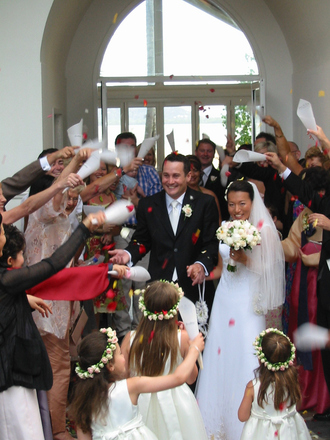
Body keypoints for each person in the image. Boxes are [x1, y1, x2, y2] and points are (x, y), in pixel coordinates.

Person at [0, 209, 106, 440]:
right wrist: (84, 228)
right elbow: (53, 264)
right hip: (9, 374)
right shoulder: (6, 279)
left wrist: (23, 300)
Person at [196, 179, 285, 440]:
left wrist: (245, 259)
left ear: (253, 202)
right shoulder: (224, 228)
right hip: (225, 299)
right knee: (220, 354)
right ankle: (216, 423)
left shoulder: (264, 230)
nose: (236, 209)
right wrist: (202, 274)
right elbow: (223, 270)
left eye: (242, 203)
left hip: (248, 301)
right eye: (232, 204)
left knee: (247, 351)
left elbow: (270, 271)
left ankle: (248, 422)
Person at [109, 153, 219, 314]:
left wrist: (201, 265)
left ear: (188, 176)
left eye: (176, 176)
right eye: (166, 176)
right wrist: (127, 254)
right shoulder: (149, 204)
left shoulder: (205, 203)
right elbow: (142, 241)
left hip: (193, 286)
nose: (170, 181)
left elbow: (211, 243)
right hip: (159, 288)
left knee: (196, 338)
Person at [266, 150, 330, 421]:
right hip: (301, 284)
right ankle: (303, 393)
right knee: (298, 330)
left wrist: (315, 256)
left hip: (320, 284)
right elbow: (292, 245)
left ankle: (323, 398)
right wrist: (267, 244)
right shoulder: (305, 214)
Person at [69, 327, 204, 440]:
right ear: (110, 365)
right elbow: (178, 378)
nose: (124, 358)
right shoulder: (130, 387)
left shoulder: (83, 404)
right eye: (120, 354)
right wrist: (194, 349)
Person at [121, 280, 208, 440]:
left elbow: (123, 375)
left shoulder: (130, 338)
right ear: (174, 310)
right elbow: (191, 378)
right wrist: (191, 347)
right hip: (175, 403)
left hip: (140, 399)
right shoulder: (181, 338)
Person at [238, 329, 311, 440]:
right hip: (290, 433)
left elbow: (242, 416)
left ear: (260, 359)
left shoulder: (253, 387)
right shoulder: (292, 382)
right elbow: (298, 406)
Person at [1, 146, 76, 204]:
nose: (57, 168)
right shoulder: (32, 197)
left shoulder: (71, 191)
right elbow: (18, 182)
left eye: (60, 162)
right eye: (51, 164)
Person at [195, 138, 228, 219]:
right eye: (202, 151)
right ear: (196, 153)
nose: (205, 154)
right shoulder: (188, 176)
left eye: (209, 151)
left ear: (214, 154)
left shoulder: (221, 177)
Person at [186, 154, 221, 224]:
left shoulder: (210, 195)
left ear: (200, 172)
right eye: (188, 171)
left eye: (195, 170)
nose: (192, 174)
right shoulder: (177, 195)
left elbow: (218, 221)